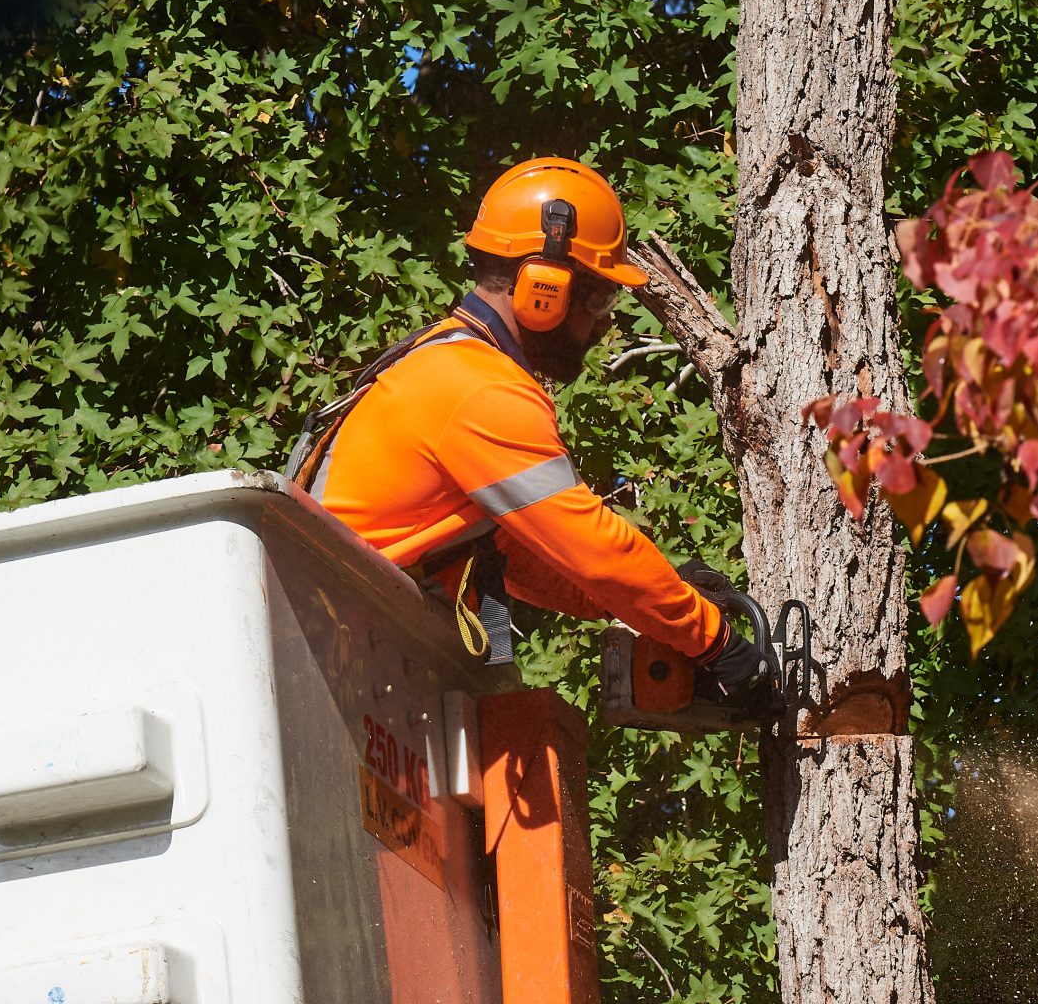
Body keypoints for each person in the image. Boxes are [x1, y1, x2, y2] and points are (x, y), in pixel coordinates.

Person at [289, 156, 771, 709]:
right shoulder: (479, 389)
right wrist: (717, 642)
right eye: (600, 300)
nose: (605, 324)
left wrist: (652, 596)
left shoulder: (446, 361)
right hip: (336, 658)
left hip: (344, 650)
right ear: (545, 290)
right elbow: (595, 550)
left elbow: (517, 557)